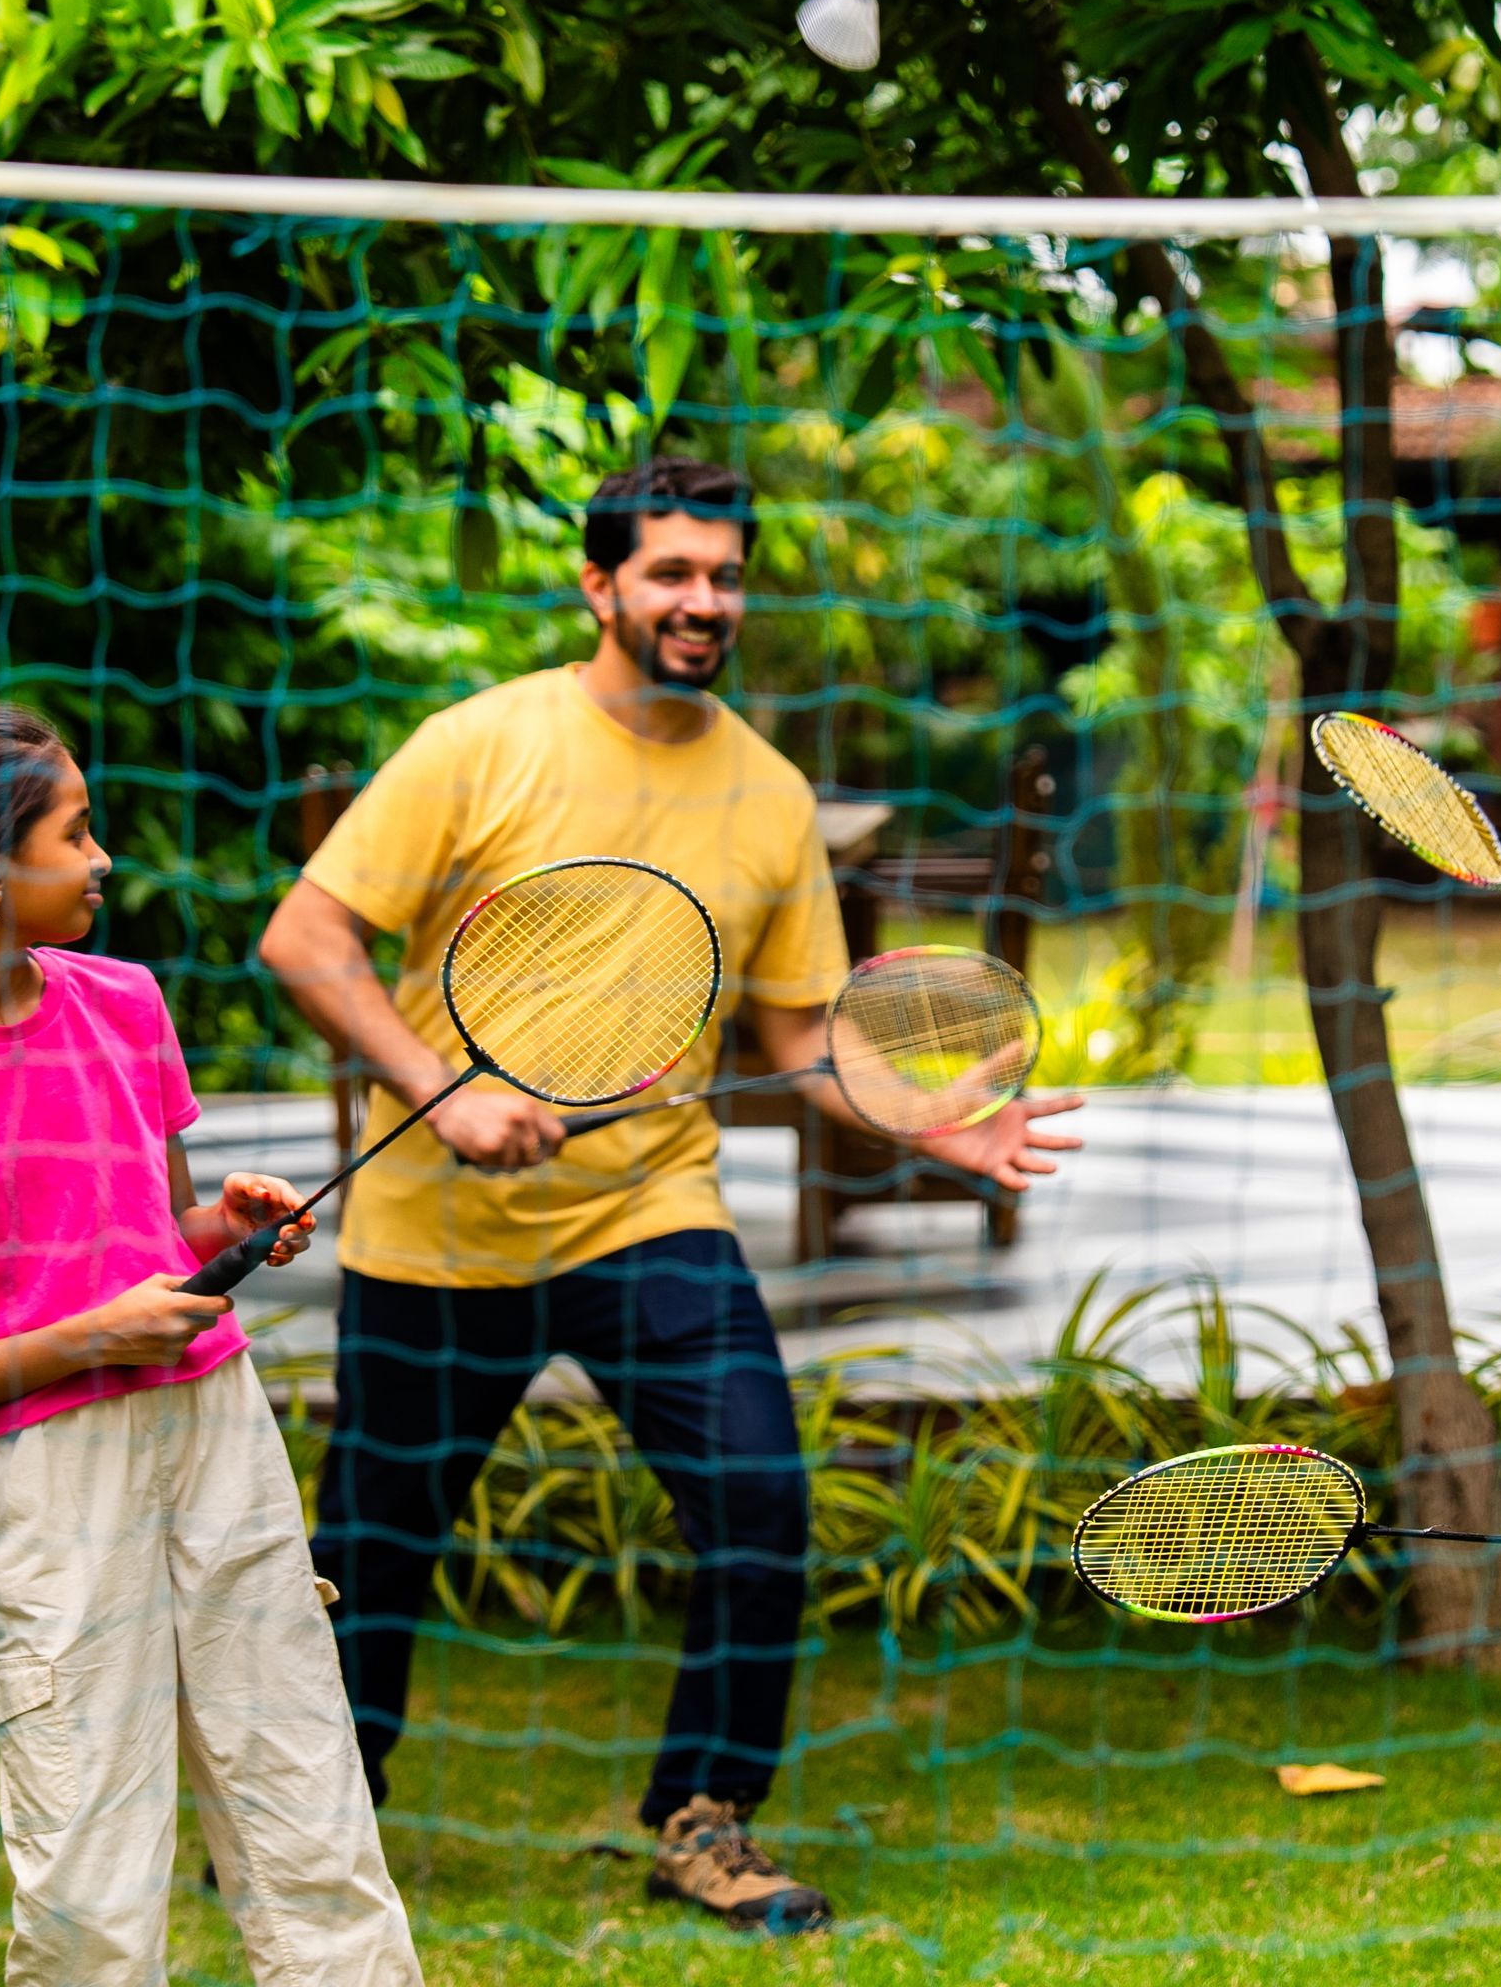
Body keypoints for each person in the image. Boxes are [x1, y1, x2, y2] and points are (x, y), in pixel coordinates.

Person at [259, 456, 1084, 1935]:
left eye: (724, 575)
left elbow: (800, 1036)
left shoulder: (767, 792)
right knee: (367, 1561)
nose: (704, 601)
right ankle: (318, 1826)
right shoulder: (478, 743)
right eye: (671, 573)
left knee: (762, 1504)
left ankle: (705, 1820)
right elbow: (309, 938)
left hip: (651, 1215)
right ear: (601, 587)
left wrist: (938, 1130)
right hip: (437, 1242)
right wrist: (444, 1095)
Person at [0, 703, 423, 1987]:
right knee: (92, 1869)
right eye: (78, 829)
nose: (106, 856)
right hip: (42, 1480)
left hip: (216, 1431)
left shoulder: (126, 1002)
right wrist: (87, 1339)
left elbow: (144, 1223)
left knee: (310, 1807)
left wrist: (216, 1222)